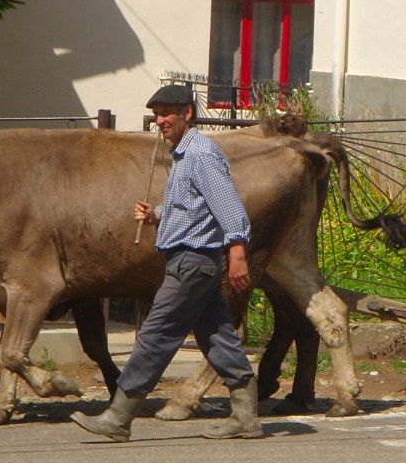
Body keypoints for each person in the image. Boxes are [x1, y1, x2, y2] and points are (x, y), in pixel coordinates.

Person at [70, 84, 262, 442]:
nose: (160, 120)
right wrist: (157, 215)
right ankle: (246, 416)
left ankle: (119, 417)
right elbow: (192, 210)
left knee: (155, 335)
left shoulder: (202, 154)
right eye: (157, 114)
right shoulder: (183, 155)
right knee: (219, 337)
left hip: (192, 264)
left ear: (187, 113)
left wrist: (238, 254)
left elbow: (230, 209)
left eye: (166, 113)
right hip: (191, 261)